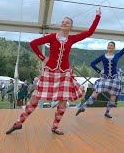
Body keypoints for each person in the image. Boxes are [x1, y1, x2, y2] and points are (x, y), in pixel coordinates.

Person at [6, 7, 101, 135]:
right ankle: (19, 123)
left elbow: (89, 32)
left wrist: (97, 17)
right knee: (35, 98)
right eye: (63, 21)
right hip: (49, 71)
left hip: (64, 73)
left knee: (63, 101)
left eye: (67, 23)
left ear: (70, 27)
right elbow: (33, 44)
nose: (64, 23)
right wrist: (43, 58)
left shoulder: (72, 39)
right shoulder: (52, 37)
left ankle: (55, 126)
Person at [76, 30, 124, 118]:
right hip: (105, 78)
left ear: (114, 48)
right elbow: (92, 63)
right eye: (108, 45)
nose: (109, 46)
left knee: (113, 96)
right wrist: (99, 71)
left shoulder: (117, 55)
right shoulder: (103, 56)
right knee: (95, 93)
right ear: (107, 47)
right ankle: (83, 107)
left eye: (111, 45)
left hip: (114, 79)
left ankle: (107, 112)